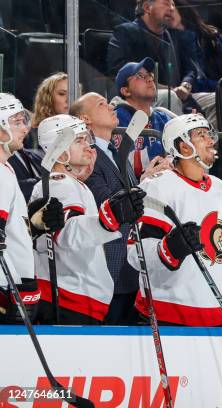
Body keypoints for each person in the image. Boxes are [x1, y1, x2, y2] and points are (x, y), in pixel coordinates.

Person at [128, 114, 222, 326]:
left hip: (215, 315)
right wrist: (169, 249)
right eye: (201, 135)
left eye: (209, 134)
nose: (210, 141)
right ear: (184, 147)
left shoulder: (221, 188)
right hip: (167, 314)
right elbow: (135, 254)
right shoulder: (158, 186)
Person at [31, 115, 145, 324]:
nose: (88, 147)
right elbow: (66, 235)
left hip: (74, 300)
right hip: (68, 301)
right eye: (79, 140)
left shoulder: (66, 183)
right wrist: (108, 219)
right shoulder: (61, 183)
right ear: (58, 148)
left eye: (87, 140)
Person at [70, 92, 170, 324]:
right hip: (111, 268)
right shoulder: (88, 157)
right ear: (85, 119)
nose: (111, 106)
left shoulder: (116, 152)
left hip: (129, 269)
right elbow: (108, 204)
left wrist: (145, 179)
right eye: (102, 104)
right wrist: (145, 183)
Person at [0, 93, 57, 324]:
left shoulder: (7, 169)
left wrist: (32, 225)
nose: (25, 128)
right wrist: (7, 294)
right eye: (16, 122)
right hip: (7, 289)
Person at [106, 0, 196, 114]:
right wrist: (164, 88)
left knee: (216, 96)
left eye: (173, 5)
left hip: (179, 94)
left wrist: (185, 85)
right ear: (147, 7)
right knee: (171, 96)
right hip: (143, 97)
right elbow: (117, 70)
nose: (172, 9)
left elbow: (190, 68)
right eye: (166, 3)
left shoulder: (172, 35)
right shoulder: (125, 32)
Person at [10, 72, 68, 200]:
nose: (69, 99)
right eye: (62, 94)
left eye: (74, 92)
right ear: (47, 98)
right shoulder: (29, 136)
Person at [112, 58, 174, 179]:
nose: (150, 79)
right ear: (126, 91)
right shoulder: (117, 117)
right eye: (140, 76)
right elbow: (126, 163)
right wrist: (167, 149)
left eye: (150, 75)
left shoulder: (163, 116)